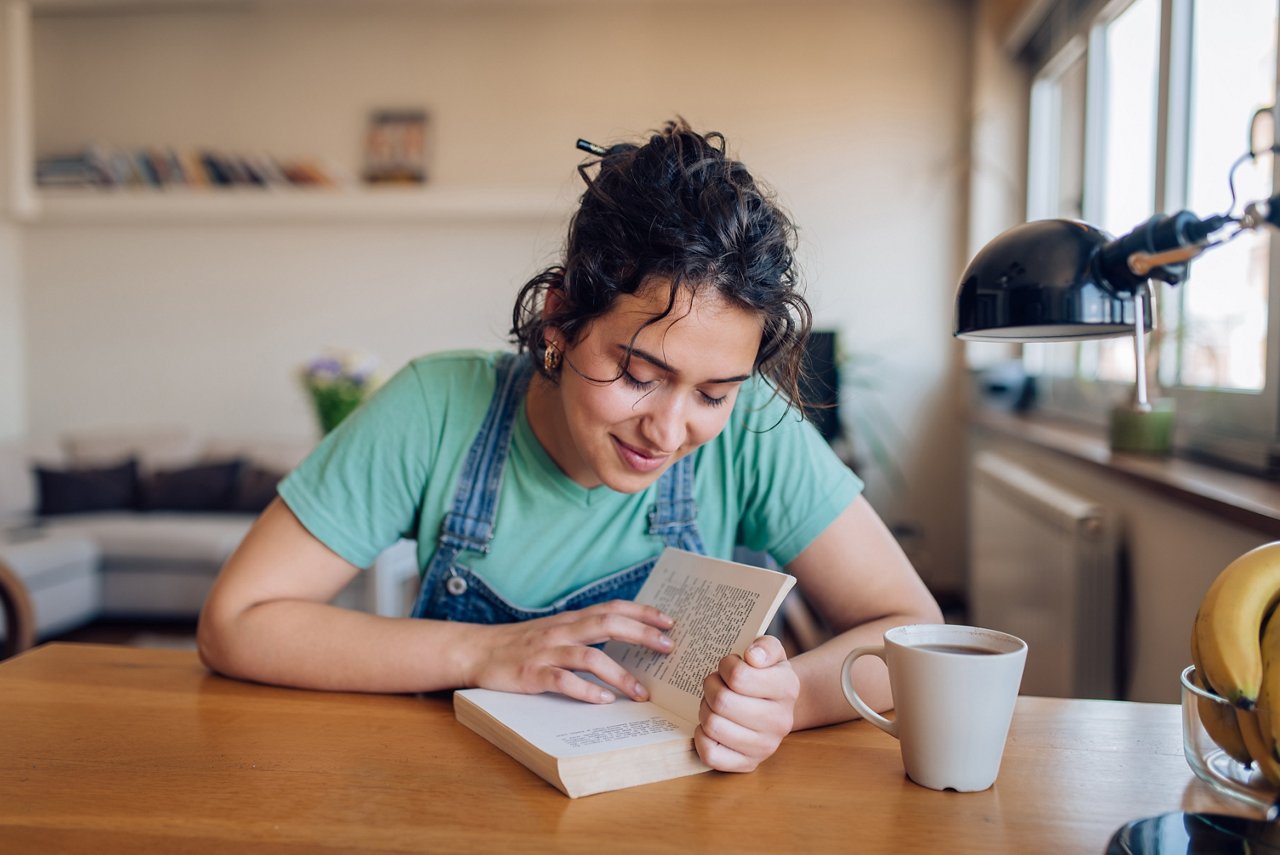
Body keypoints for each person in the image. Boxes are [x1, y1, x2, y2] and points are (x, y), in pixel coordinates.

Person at [197, 118, 942, 774]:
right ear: (559, 322)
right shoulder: (433, 408)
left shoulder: (751, 429)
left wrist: (789, 702)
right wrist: (482, 653)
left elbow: (913, 637)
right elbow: (238, 620)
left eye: (714, 393)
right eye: (638, 372)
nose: (669, 428)